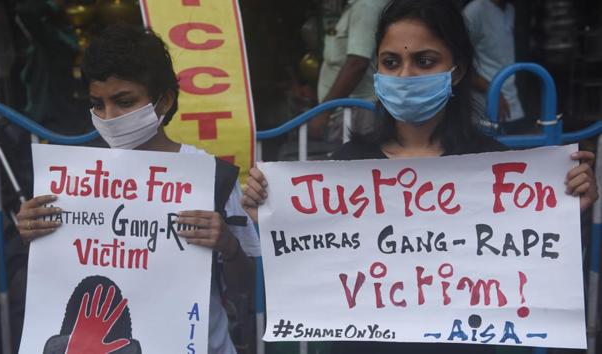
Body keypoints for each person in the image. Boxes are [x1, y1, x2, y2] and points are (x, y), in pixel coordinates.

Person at [241, 0, 598, 353]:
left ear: (457, 70)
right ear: (377, 71)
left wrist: (569, 214)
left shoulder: (498, 172)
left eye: (424, 61)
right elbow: (305, 275)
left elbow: (538, 271)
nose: (405, 75)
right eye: (391, 62)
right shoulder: (344, 170)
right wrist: (272, 218)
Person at [16, 25, 260, 354]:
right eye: (97, 104)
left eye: (124, 102)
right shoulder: (74, 183)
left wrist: (228, 245)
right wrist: (32, 233)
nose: (109, 116)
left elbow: (246, 285)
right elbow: (56, 276)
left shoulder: (209, 178)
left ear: (164, 101)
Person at [308, 0, 389, 144]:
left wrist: (323, 112)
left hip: (358, 115)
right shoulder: (354, 6)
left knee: (354, 164)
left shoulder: (365, 6)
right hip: (348, 113)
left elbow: (357, 63)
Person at [464, 0, 530, 134]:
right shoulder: (475, 11)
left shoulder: (509, 9)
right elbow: (459, 63)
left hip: (511, 100)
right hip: (485, 104)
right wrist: (494, 91)